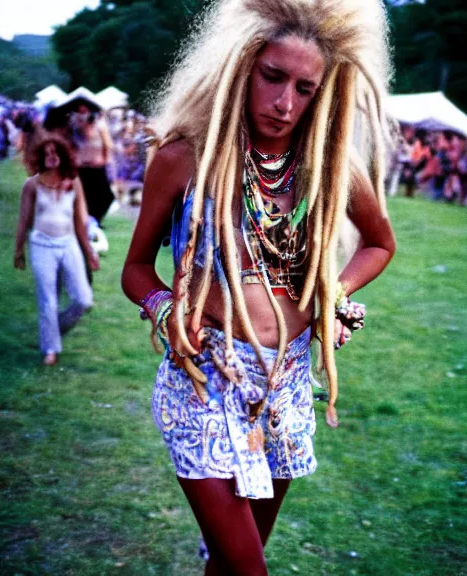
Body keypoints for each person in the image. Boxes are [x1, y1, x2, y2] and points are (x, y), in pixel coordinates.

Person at [122, 1, 396, 574]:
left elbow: (379, 243)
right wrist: (164, 306)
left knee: (232, 563)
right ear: (241, 67)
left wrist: (333, 293)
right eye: (272, 77)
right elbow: (136, 270)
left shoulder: (327, 167)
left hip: (287, 386)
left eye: (304, 87)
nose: (284, 103)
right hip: (206, 384)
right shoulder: (184, 157)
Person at [14, 133, 99, 366]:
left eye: (55, 153)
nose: (51, 157)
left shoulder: (73, 182)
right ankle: (50, 348)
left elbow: (80, 223)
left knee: (83, 299)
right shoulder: (32, 184)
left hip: (68, 242)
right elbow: (23, 220)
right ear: (41, 158)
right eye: (46, 153)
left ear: (62, 155)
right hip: (41, 245)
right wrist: (18, 249)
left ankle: (56, 326)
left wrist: (89, 252)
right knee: (47, 300)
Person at [71, 104, 115, 224]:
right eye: (80, 111)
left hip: (98, 167)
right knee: (85, 197)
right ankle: (87, 221)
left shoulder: (100, 126)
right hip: (82, 168)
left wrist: (106, 161)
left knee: (106, 196)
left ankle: (96, 219)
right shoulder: (75, 127)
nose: (82, 113)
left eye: (85, 110)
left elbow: (108, 145)